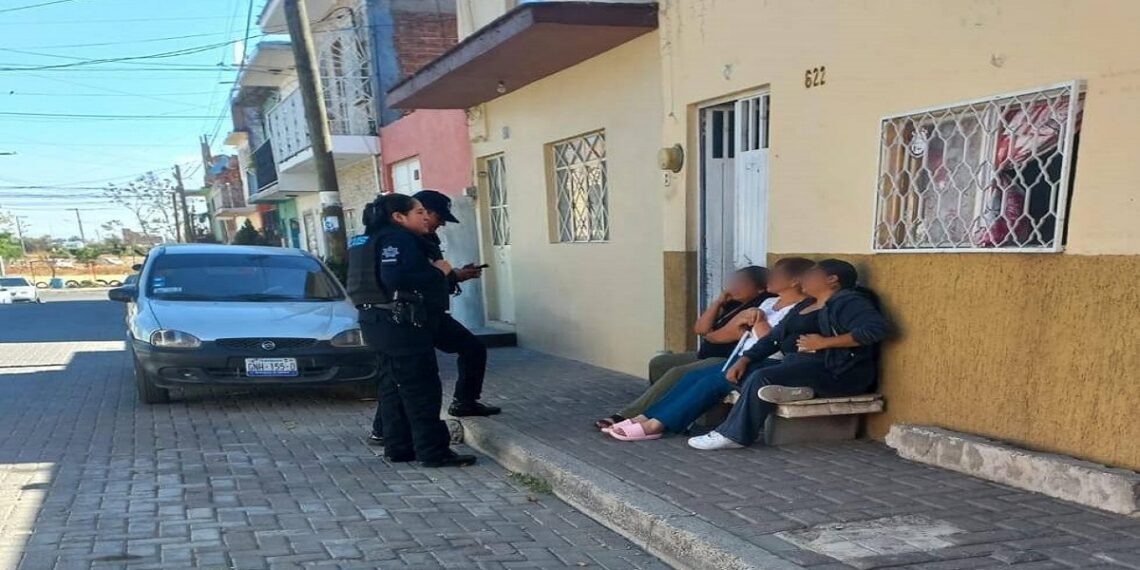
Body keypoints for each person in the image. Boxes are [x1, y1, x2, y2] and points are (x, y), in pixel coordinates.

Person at [602, 258, 815, 441]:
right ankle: (644, 417)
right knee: (692, 377)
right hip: (743, 357)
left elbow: (774, 343)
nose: (770, 277)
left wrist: (758, 322)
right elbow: (713, 332)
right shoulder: (768, 302)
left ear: (795, 281)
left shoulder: (800, 309)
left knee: (711, 382)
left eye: (777, 275)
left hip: (768, 361)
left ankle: (656, 425)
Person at [687, 259, 889, 451]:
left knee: (762, 376)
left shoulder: (849, 301)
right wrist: (745, 359)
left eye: (811, 274)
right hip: (802, 365)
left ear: (832, 279)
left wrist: (824, 342)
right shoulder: (806, 304)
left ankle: (733, 436)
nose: (804, 279)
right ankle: (796, 390)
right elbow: (773, 338)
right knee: (744, 373)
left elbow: (876, 330)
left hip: (839, 372)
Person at [347, 193, 476, 468]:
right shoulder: (398, 238)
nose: (425, 216)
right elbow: (395, 277)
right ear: (399, 217)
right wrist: (440, 271)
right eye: (419, 212)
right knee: (422, 390)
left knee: (393, 388)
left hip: (375, 321)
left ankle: (399, 447)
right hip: (399, 325)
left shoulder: (368, 238)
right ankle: (433, 452)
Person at [413, 190, 500, 418]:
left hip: (432, 312)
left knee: (473, 349)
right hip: (417, 315)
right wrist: (455, 276)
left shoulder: (426, 238)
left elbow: (433, 275)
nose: (441, 223)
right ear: (423, 212)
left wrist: (456, 275)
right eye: (439, 217)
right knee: (410, 375)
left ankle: (465, 402)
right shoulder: (409, 241)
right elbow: (419, 279)